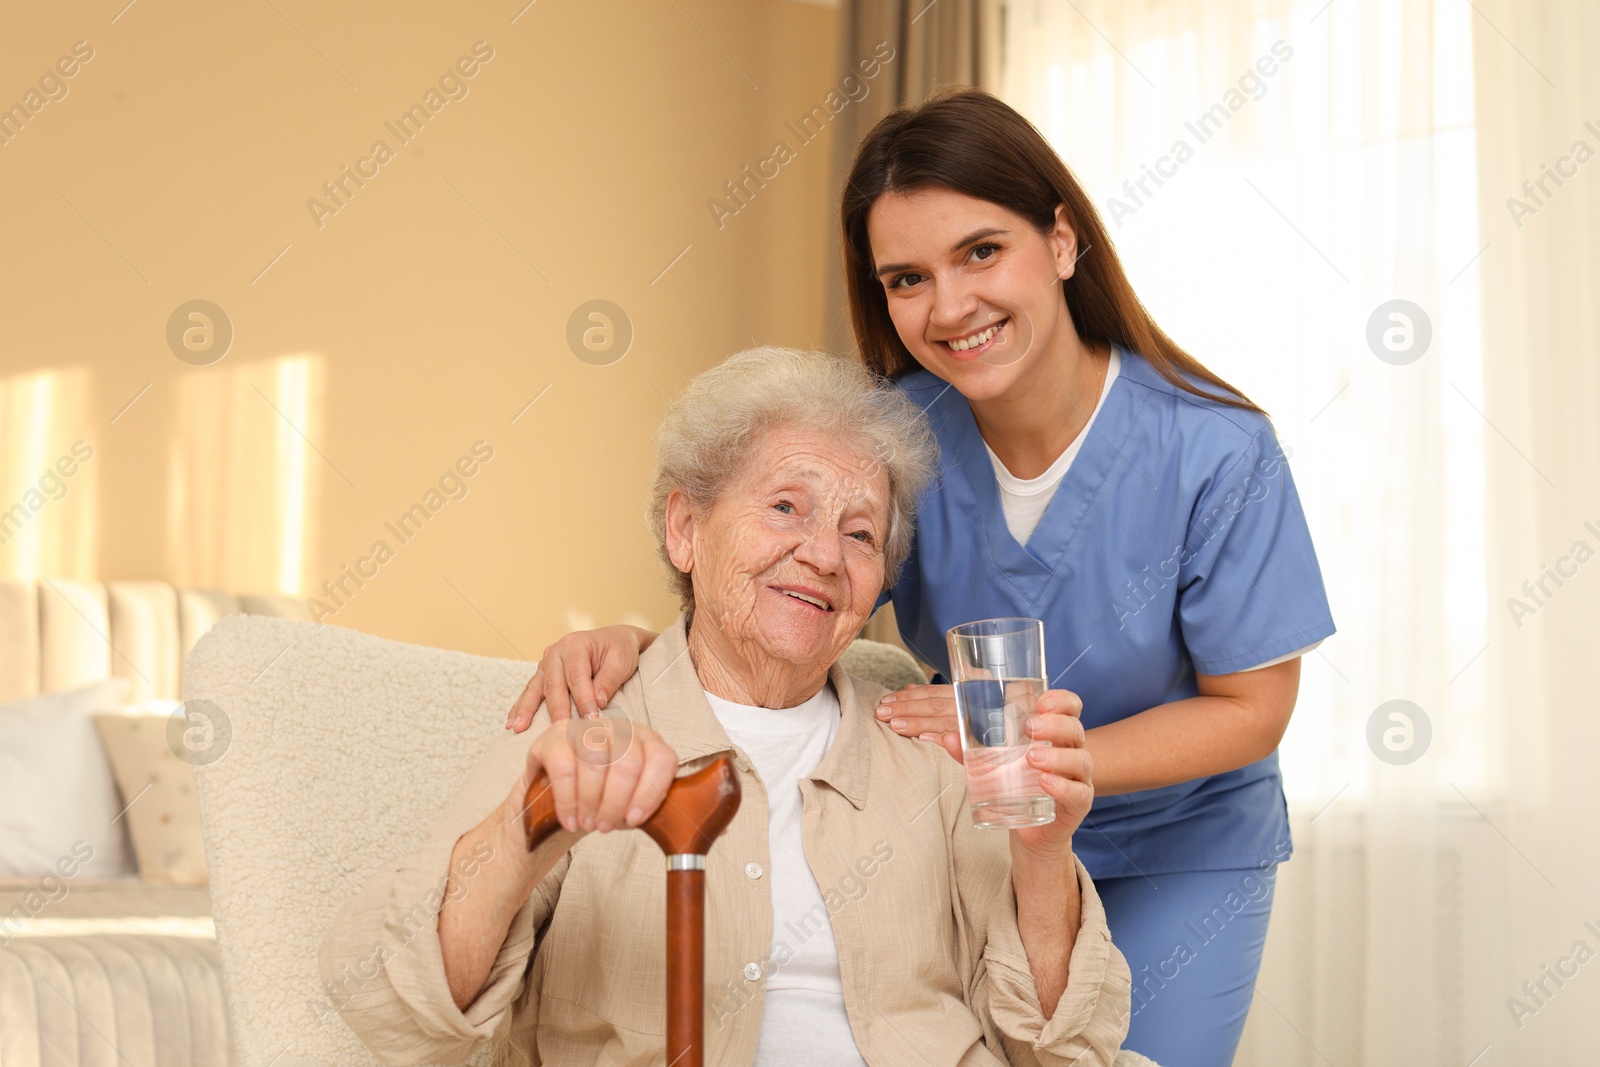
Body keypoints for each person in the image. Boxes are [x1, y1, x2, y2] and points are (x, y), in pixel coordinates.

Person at [506, 89, 1335, 1067]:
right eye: (906, 277)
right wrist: (639, 645)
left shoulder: (1217, 451)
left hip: (1175, 846)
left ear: (1062, 239)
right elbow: (794, 592)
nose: (948, 307)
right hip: (974, 843)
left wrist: (1035, 756)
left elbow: (1250, 709)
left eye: (981, 251)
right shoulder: (897, 435)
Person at [320, 347, 1132, 1066]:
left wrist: (1042, 850)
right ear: (685, 528)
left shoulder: (928, 742)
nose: (821, 554)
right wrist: (529, 825)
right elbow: (399, 1009)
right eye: (786, 506)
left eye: (860, 534)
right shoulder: (583, 720)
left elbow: (1065, 1050)